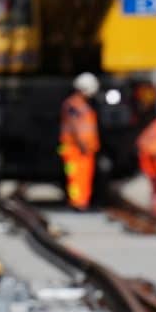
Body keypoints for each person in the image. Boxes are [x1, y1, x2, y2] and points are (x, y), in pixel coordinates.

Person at [60, 73, 100, 210]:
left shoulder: (80, 106)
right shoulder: (74, 106)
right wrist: (82, 143)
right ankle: (77, 202)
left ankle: (81, 201)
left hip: (83, 147)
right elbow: (75, 126)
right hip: (74, 148)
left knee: (83, 176)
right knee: (76, 177)